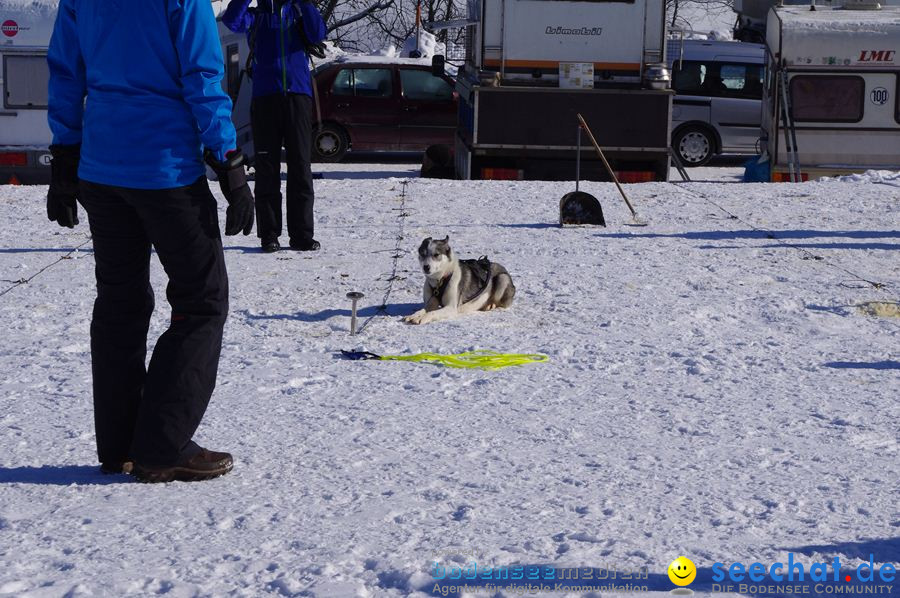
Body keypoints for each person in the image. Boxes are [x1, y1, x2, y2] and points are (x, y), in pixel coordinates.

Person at [47, 0, 255, 483]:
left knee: (120, 305)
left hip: (101, 169)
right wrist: (229, 161)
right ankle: (160, 446)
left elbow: (64, 72)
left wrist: (64, 157)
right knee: (202, 304)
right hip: (165, 174)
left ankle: (120, 444)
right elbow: (203, 76)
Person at [223, 0, 327, 254]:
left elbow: (317, 32)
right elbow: (231, 21)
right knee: (266, 168)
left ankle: (302, 235)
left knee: (300, 167)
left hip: (298, 96)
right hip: (265, 98)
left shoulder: (297, 12)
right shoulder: (256, 17)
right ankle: (269, 235)